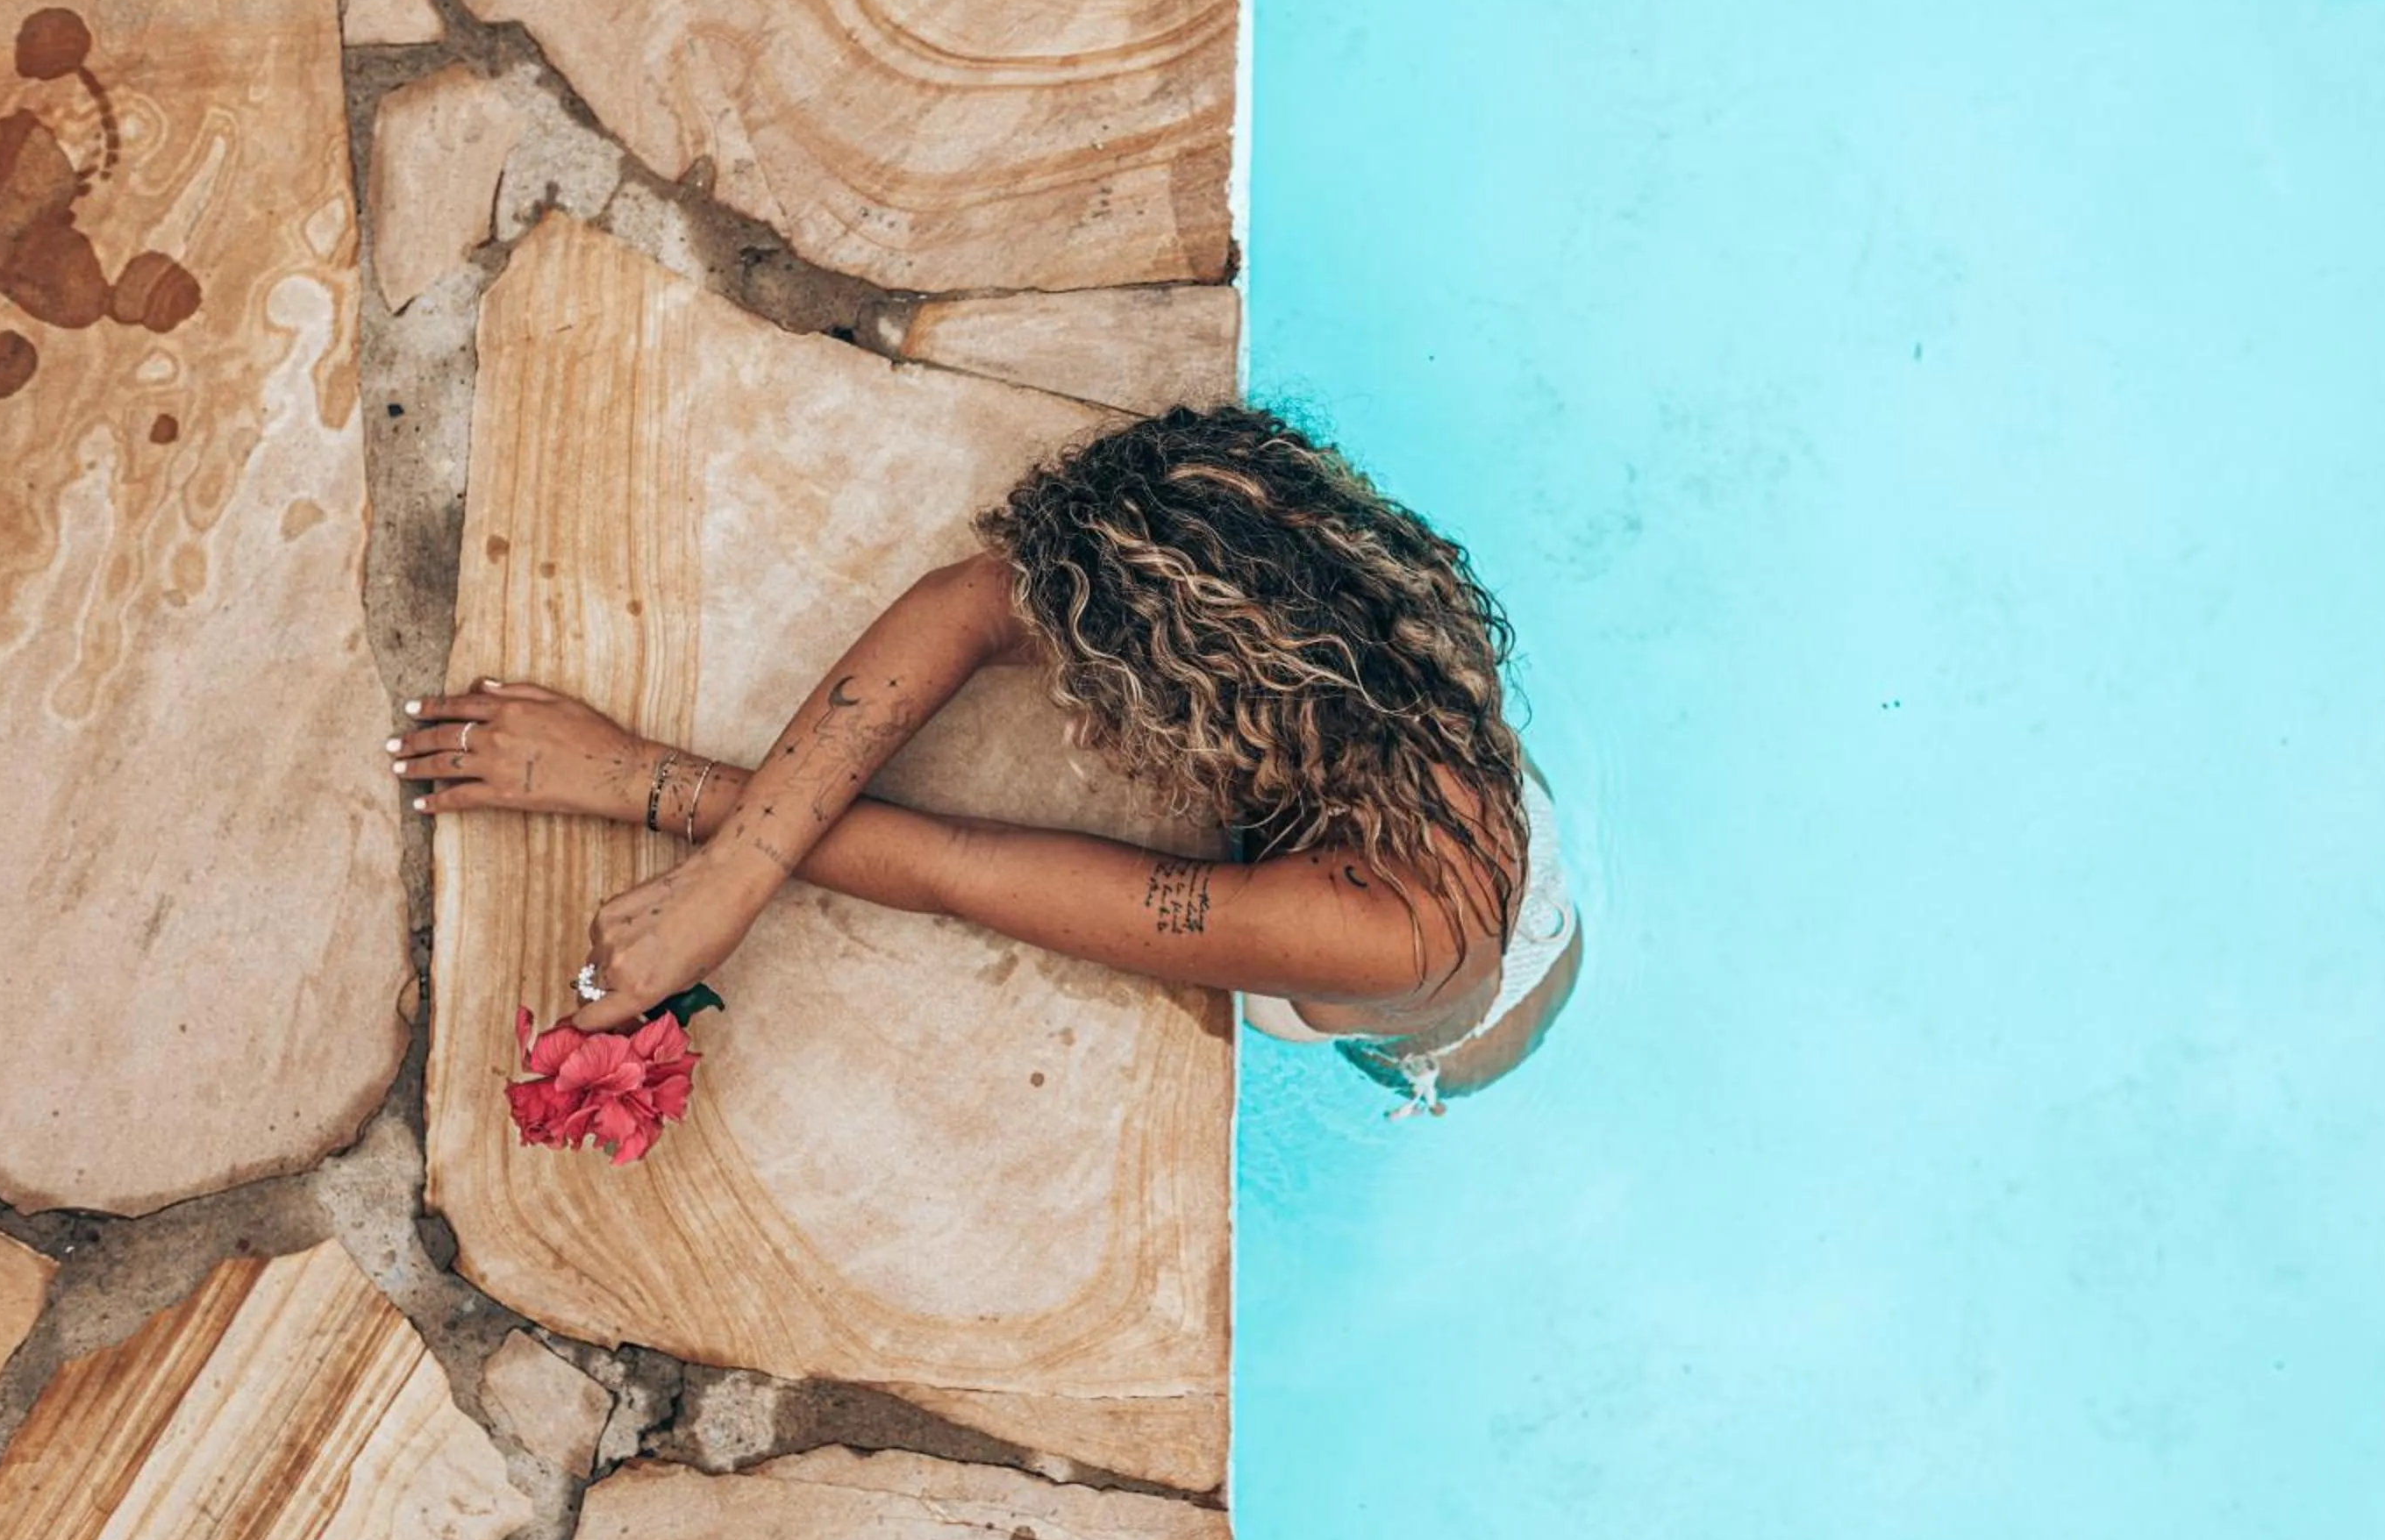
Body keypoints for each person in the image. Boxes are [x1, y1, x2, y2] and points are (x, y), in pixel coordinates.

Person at [389, 406, 1581, 1115]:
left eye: (1098, 701)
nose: (1079, 716)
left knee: (1350, 1048)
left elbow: (959, 865)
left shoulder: (1375, 928)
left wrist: (637, 781)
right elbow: (967, 607)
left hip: (1443, 1021)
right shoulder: (1322, 586)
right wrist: (729, 877)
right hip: (1458, 799)